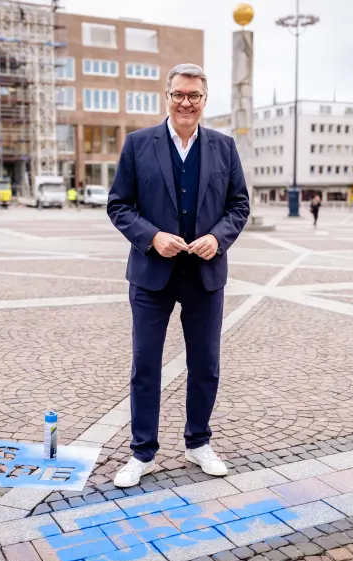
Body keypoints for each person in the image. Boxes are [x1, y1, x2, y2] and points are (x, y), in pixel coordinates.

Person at [107, 63, 250, 488]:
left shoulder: (224, 148)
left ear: (205, 101)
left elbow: (239, 206)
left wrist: (218, 238)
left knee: (205, 364)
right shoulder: (137, 144)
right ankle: (142, 453)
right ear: (166, 96)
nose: (186, 103)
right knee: (145, 365)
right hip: (151, 275)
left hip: (205, 275)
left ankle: (198, 443)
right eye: (179, 95)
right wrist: (151, 237)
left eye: (194, 96)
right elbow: (119, 205)